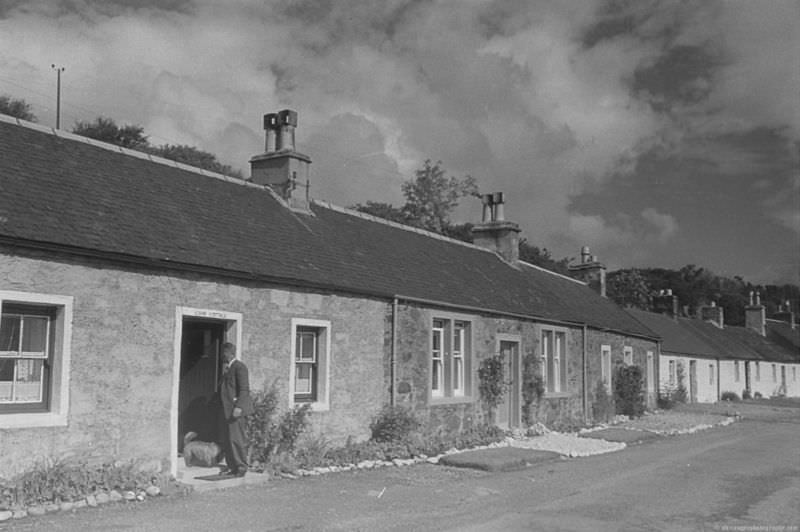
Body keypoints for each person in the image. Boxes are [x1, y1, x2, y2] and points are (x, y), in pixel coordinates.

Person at [218, 342, 252, 477]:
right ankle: (232, 467)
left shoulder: (240, 367)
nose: (222, 356)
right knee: (228, 440)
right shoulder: (228, 368)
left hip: (235, 410)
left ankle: (241, 467)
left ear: (229, 353)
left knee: (236, 439)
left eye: (224, 353)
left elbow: (244, 389)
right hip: (227, 410)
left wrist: (239, 407)